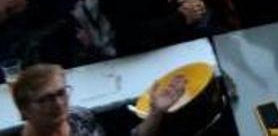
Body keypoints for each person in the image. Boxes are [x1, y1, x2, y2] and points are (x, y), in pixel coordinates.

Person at [9, 63, 185, 136]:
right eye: (45, 99)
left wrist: (156, 112)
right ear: (24, 109)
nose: (58, 103)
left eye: (61, 93)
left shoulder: (78, 117)